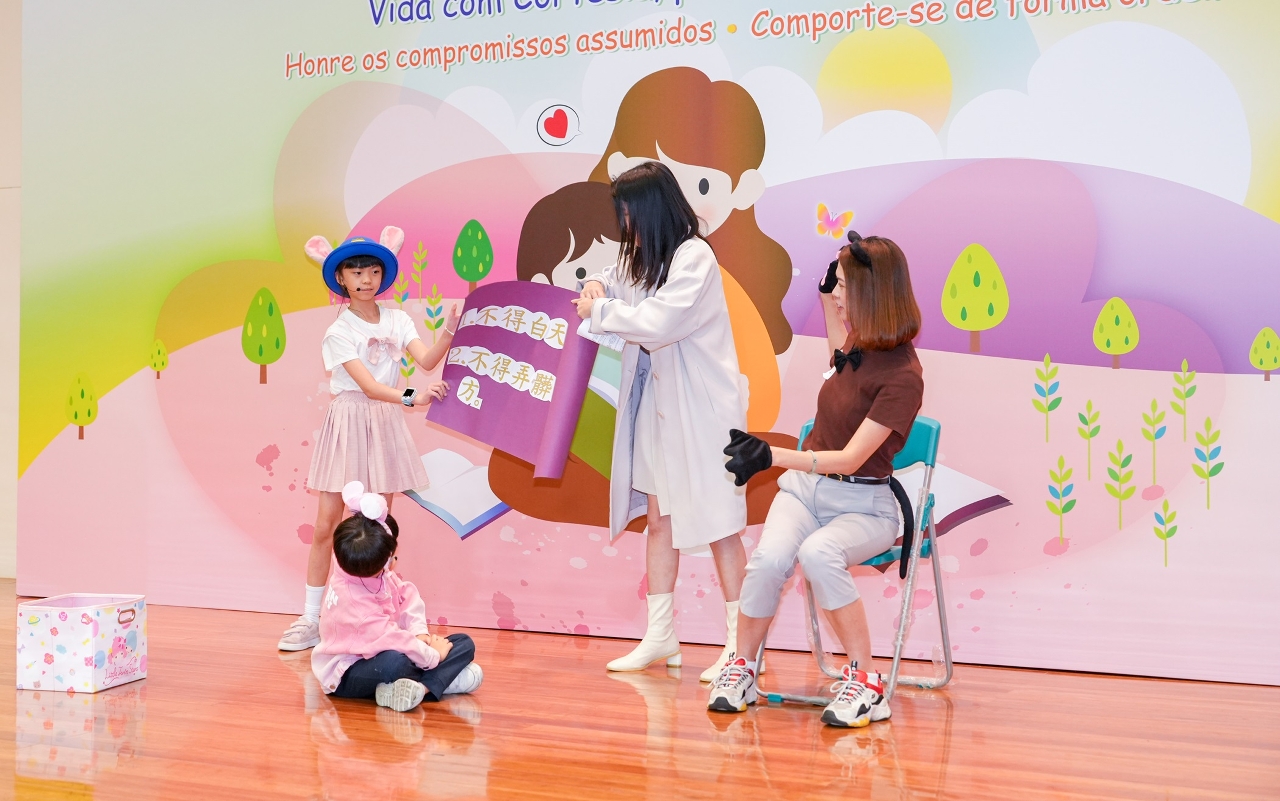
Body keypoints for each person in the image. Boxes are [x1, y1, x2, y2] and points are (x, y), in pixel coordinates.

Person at [708, 233, 924, 729]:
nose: (839, 294)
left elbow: (849, 458)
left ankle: (867, 683)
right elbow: (838, 361)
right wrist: (828, 296)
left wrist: (771, 455)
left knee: (819, 553)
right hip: (806, 495)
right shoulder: (858, 344)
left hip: (864, 505)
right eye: (837, 285)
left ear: (873, 293)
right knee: (768, 561)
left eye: (846, 286)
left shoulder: (903, 375)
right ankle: (743, 668)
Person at [571, 161, 749, 677]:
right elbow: (610, 279)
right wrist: (596, 288)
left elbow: (660, 321)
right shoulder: (639, 256)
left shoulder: (695, 257)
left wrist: (599, 311)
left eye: (628, 212)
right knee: (658, 520)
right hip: (658, 406)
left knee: (719, 524)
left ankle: (742, 645)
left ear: (650, 209)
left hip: (703, 409)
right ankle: (661, 634)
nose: (624, 223)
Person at [278, 226, 458, 651]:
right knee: (327, 525)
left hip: (384, 424)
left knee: (377, 527)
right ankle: (312, 619)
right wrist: (413, 397)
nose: (366, 279)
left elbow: (426, 360)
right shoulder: (338, 331)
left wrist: (450, 330)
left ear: (384, 275)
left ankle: (378, 615)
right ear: (341, 278)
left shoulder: (398, 319)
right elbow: (370, 387)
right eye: (356, 272)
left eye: (373, 271)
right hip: (349, 419)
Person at [312, 482, 483, 712]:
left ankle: (417, 689)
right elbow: (393, 639)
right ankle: (437, 684)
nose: (394, 562)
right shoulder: (357, 607)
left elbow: (406, 595)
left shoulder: (352, 562)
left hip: (387, 644)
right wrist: (434, 655)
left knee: (463, 642)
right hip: (347, 672)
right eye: (391, 558)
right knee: (395, 664)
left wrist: (420, 634)